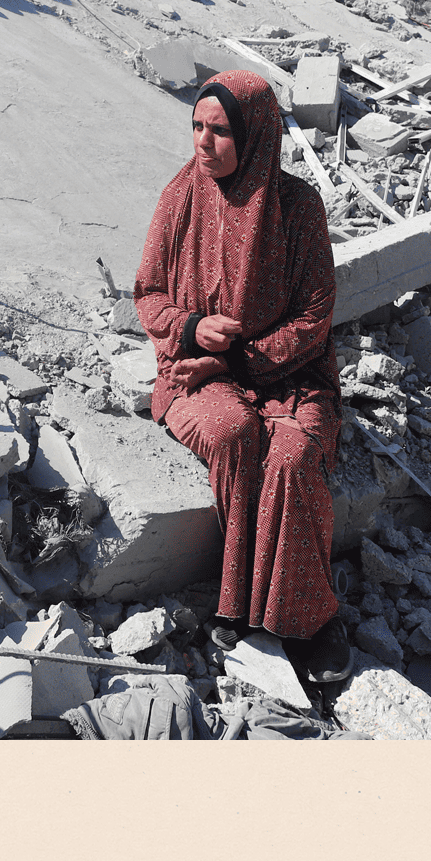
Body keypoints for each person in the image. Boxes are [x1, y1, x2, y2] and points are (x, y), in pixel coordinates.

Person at [133, 69, 353, 683]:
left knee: (292, 456)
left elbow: (315, 313)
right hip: (195, 370)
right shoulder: (181, 195)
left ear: (256, 135)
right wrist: (191, 326)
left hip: (290, 372)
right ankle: (239, 601)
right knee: (232, 434)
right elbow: (148, 292)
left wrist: (246, 356)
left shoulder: (297, 206)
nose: (203, 143)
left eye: (221, 131)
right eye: (197, 126)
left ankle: (305, 619)